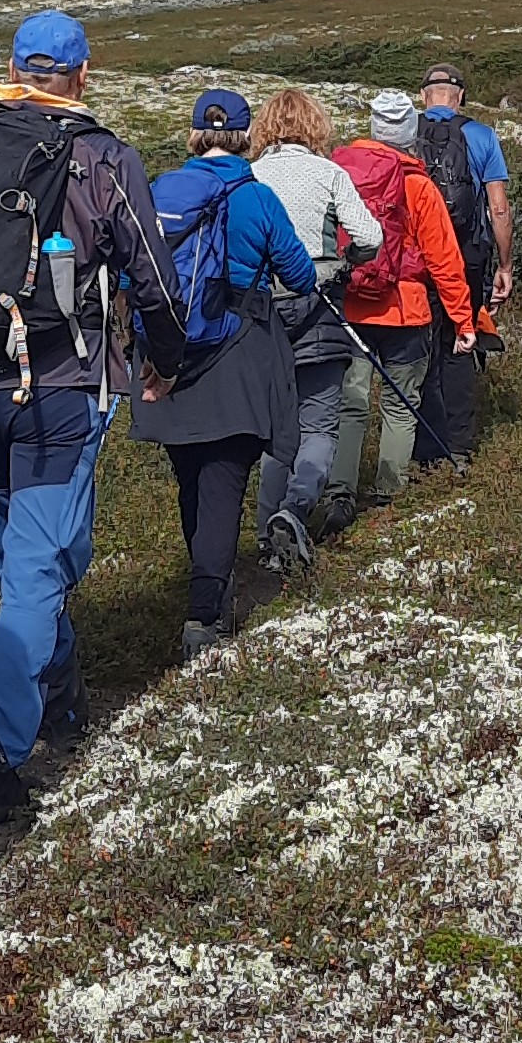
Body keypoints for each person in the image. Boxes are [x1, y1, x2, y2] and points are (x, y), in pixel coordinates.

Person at [0, 10, 186, 828]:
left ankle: (63, 699)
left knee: (26, 565)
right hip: (59, 391)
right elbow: (153, 274)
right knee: (42, 569)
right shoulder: (102, 156)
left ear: (13, 66)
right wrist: (167, 359)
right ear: (81, 73)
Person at [129, 88, 315, 658]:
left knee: (191, 481)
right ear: (244, 137)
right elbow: (300, 275)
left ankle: (210, 587)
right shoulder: (256, 198)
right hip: (238, 356)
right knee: (224, 487)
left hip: (168, 359)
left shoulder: (160, 191)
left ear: (193, 135)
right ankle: (204, 615)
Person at [322, 88, 474, 530]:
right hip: (406, 311)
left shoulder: (340, 176)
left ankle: (339, 495)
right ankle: (389, 496)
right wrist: (463, 321)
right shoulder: (419, 185)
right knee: (401, 405)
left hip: (350, 308)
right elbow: (445, 261)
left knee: (350, 404)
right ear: (409, 133)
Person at [248, 87, 384, 571]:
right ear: (316, 126)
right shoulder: (330, 174)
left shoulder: (251, 176)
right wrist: (346, 263)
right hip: (321, 305)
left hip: (262, 313)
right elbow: (370, 237)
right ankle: (296, 508)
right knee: (319, 425)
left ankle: (267, 538)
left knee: (273, 430)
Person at [413, 64, 513, 473]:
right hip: (467, 256)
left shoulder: (407, 135)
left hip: (418, 257)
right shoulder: (481, 135)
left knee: (421, 347)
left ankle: (423, 447)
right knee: (460, 341)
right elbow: (499, 207)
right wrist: (505, 264)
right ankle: (460, 446)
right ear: (462, 97)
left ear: (423, 96)